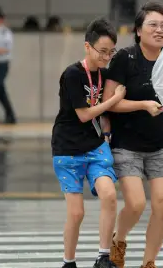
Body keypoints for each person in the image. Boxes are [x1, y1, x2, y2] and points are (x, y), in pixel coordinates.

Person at [103, 1, 163, 268]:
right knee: (135, 204)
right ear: (138, 31)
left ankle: (149, 262)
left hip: (161, 144)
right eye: (153, 25)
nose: (160, 30)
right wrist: (142, 105)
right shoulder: (125, 58)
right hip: (127, 144)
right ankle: (118, 240)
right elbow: (109, 101)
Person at [51, 17, 125, 268]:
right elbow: (84, 114)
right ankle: (68, 262)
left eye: (110, 52)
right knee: (76, 213)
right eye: (102, 51)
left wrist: (107, 131)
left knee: (109, 195)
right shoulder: (72, 74)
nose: (106, 57)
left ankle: (103, 256)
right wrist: (112, 101)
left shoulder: (105, 76)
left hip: (94, 147)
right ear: (87, 47)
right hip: (67, 149)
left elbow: (105, 114)